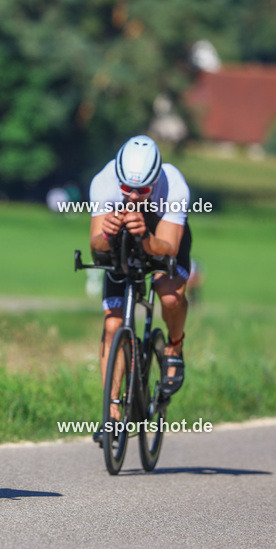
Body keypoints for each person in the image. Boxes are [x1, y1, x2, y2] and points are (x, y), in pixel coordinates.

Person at [88, 135, 192, 445]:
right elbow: (95, 247)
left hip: (159, 234)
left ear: (156, 179)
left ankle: (173, 347)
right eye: (127, 189)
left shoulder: (174, 185)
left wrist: (145, 237)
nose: (133, 196)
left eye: (143, 190)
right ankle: (112, 414)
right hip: (121, 243)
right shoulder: (105, 181)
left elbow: (169, 248)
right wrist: (106, 235)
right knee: (112, 324)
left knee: (170, 294)